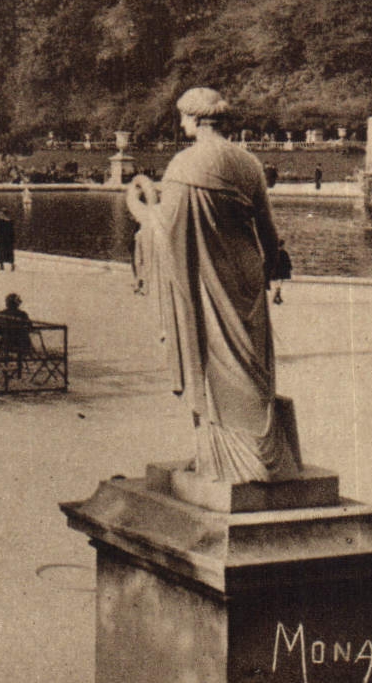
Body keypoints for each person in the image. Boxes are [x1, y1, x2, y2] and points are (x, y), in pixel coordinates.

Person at [124, 86, 300, 484]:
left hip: (208, 278)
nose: (181, 123)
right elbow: (269, 234)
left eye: (183, 117)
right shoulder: (249, 163)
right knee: (251, 365)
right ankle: (261, 450)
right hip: (246, 276)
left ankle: (224, 459)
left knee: (210, 361)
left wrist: (138, 205)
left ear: (196, 119)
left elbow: (164, 231)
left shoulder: (184, 165)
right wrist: (263, 274)